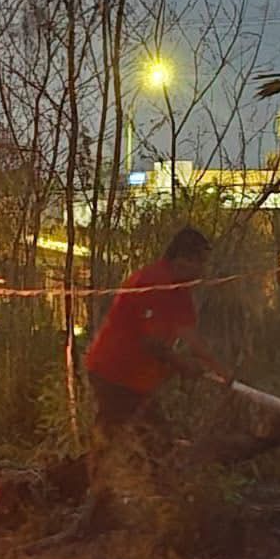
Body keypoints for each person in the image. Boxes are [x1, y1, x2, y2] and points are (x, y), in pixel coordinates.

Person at [71, 226, 232, 536]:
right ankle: (97, 512)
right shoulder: (152, 282)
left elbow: (189, 333)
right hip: (114, 372)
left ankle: (149, 507)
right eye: (198, 263)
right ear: (182, 259)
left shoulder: (180, 289)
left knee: (154, 439)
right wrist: (186, 366)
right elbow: (153, 345)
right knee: (113, 437)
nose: (201, 270)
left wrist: (218, 368)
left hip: (138, 379)